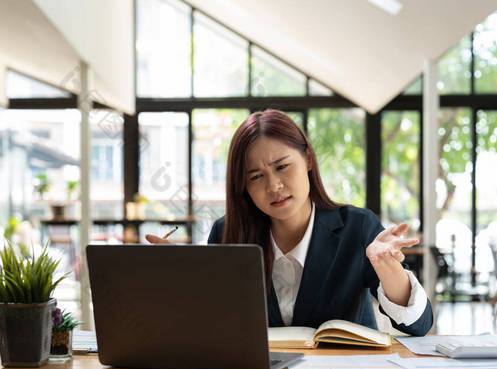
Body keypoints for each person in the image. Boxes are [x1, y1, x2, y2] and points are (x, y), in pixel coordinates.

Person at [146, 109, 432, 335]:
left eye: (282, 167)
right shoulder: (227, 233)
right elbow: (214, 324)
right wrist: (179, 281)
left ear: (307, 159)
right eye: (256, 176)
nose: (274, 186)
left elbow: (418, 325)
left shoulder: (357, 228)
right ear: (242, 186)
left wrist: (388, 269)